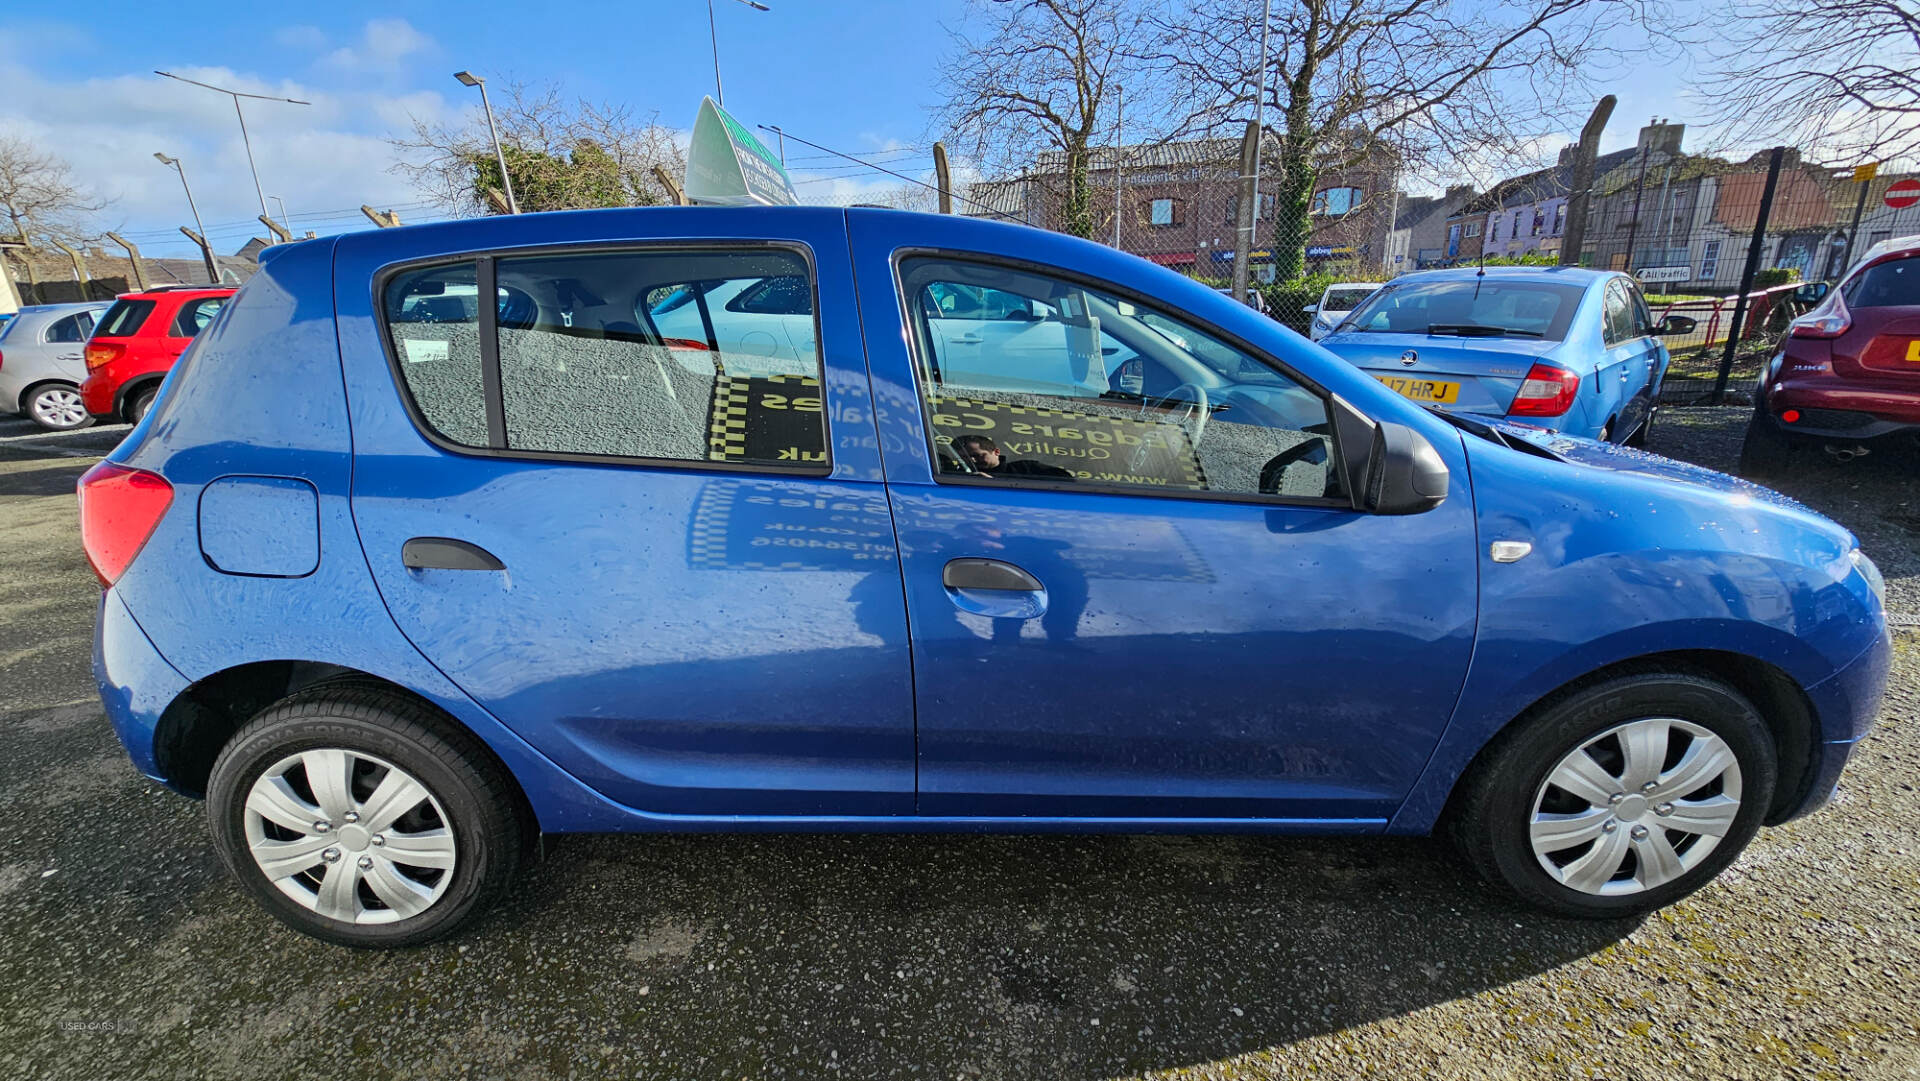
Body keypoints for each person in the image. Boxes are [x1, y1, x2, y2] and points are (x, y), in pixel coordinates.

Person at [951, 435, 1075, 479]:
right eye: (965, 458)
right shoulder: (954, 475)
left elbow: (1066, 479)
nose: (972, 460)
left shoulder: (1026, 468)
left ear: (996, 452)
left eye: (977, 455)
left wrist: (995, 483)